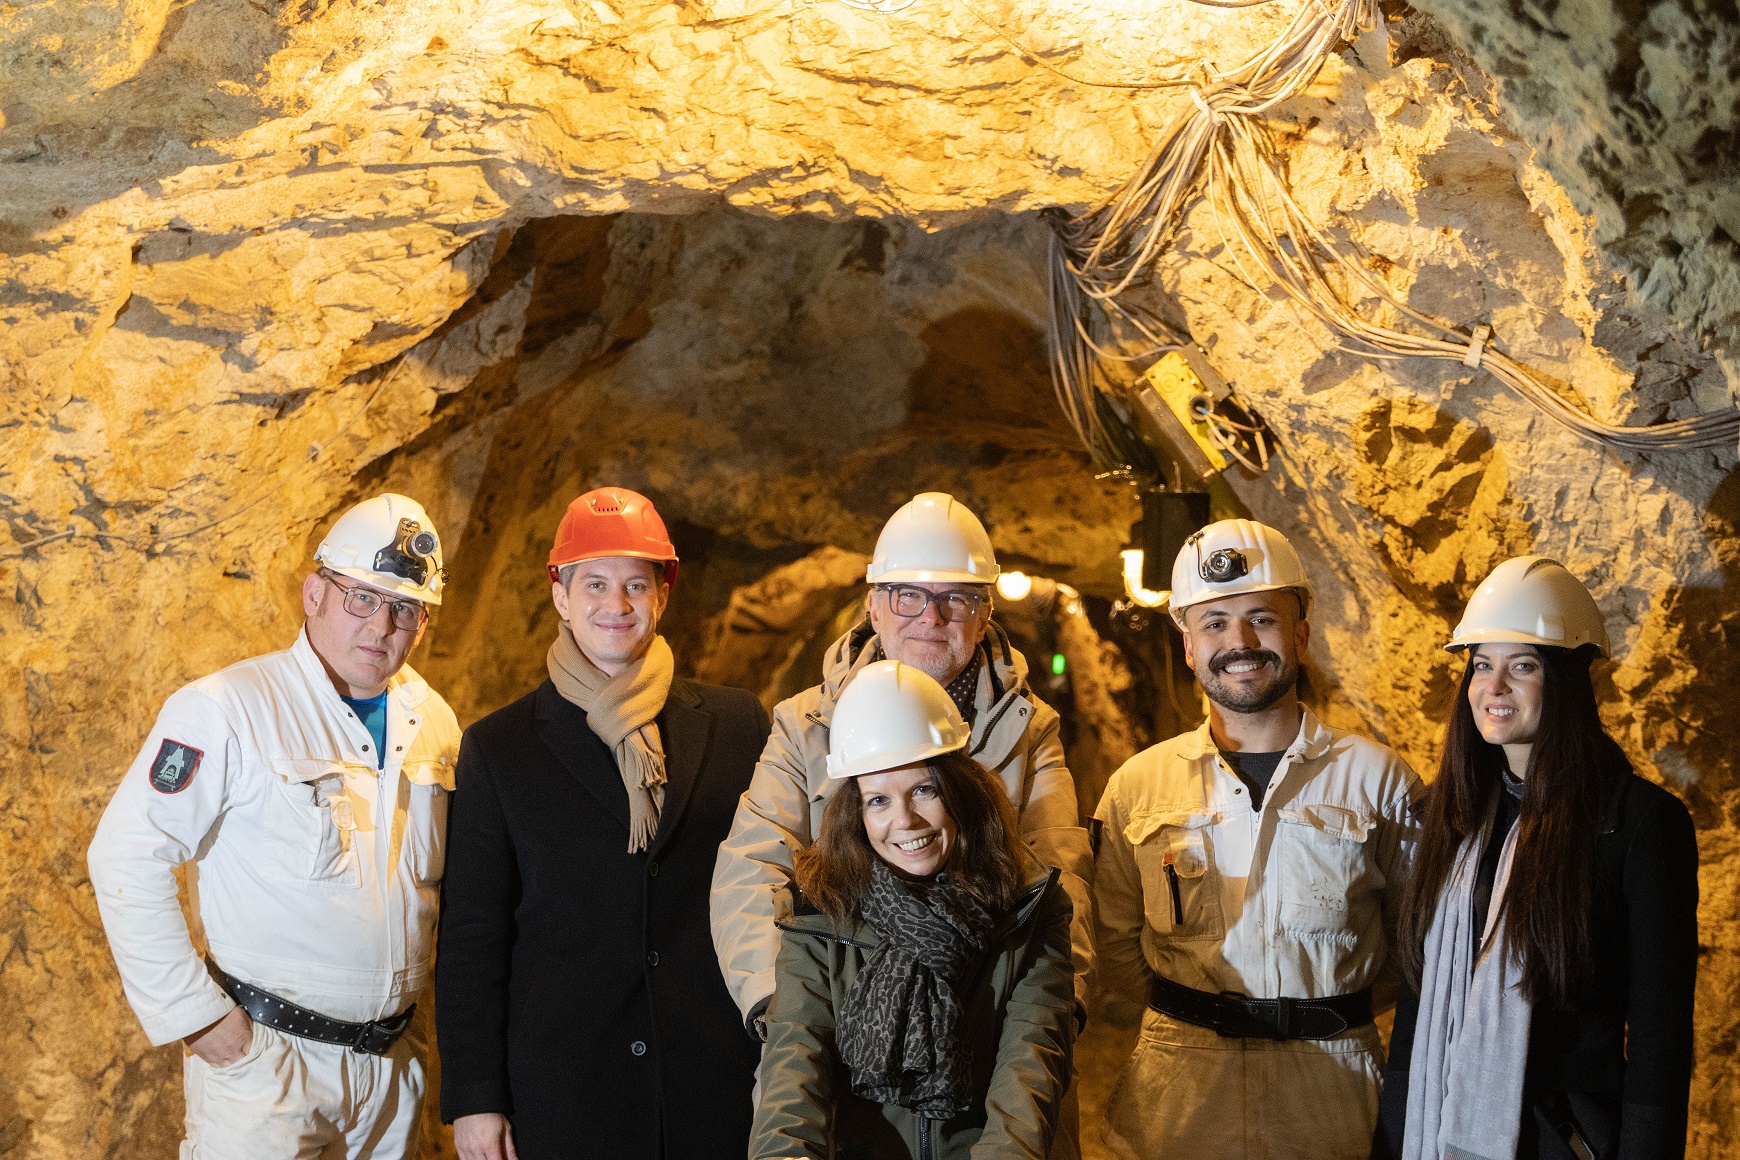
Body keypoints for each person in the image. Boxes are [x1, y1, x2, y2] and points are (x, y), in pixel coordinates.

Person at [87, 493, 461, 1159]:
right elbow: (126, 856)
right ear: (314, 594)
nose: (382, 625)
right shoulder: (227, 708)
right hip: (269, 1068)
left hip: (394, 1069)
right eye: (362, 598)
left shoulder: (434, 720)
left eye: (406, 608)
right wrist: (200, 1020)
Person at [436, 486, 771, 1160]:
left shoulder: (740, 725)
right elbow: (473, 936)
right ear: (560, 596)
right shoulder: (500, 749)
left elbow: (777, 888)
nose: (616, 605)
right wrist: (475, 1097)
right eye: (594, 583)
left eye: (634, 584)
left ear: (662, 595)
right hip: (567, 1093)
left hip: (716, 1086)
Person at [711, 492, 1093, 1059]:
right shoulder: (806, 726)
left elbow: (1061, 880)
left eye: (955, 598)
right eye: (908, 595)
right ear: (874, 607)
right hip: (838, 1022)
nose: (930, 618)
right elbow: (753, 865)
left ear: (985, 614)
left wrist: (1047, 1019)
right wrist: (788, 1016)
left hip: (988, 1027)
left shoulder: (1028, 731)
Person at [1092, 518, 1422, 1159]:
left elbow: (1412, 946)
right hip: (1180, 1098)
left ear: (1300, 635)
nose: (1239, 642)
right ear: (1189, 647)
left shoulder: (1378, 782)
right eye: (1214, 623)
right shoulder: (1138, 786)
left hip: (1331, 1098)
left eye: (1261, 619)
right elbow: (1116, 944)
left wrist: (1326, 1010)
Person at [1373, 556, 1698, 1160]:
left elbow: (1661, 1034)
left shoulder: (1638, 824)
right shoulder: (1449, 816)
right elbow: (1418, 1014)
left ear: (1567, 681)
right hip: (1436, 1128)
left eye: (1522, 666)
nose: (1493, 687)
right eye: (1481, 665)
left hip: (1564, 1139)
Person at [751, 659, 1076, 1159]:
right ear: (855, 813)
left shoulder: (1028, 908)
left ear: (960, 790)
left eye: (924, 790)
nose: (904, 820)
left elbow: (1029, 1066)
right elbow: (795, 1061)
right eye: (878, 801)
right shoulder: (821, 914)